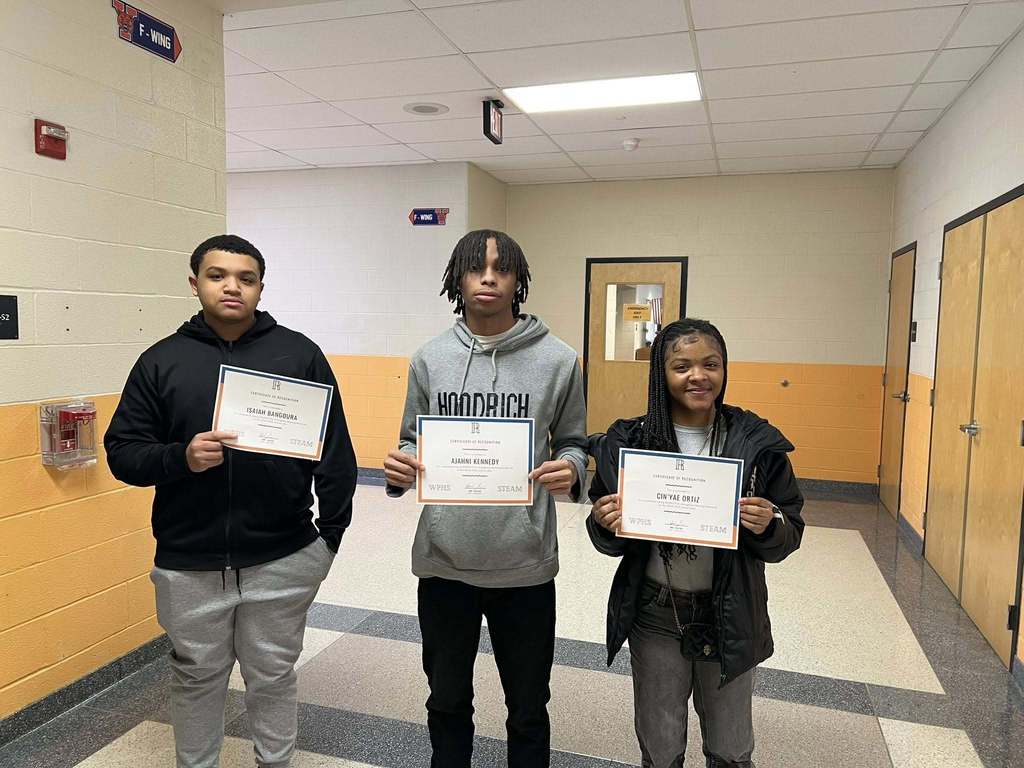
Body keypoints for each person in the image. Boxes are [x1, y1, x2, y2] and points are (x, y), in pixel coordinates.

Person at [105, 234, 358, 768]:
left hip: (283, 555)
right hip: (187, 559)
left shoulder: (298, 353)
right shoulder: (160, 362)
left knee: (272, 675)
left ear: (261, 288)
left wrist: (327, 539)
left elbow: (334, 453)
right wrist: (181, 457)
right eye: (218, 276)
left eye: (246, 278)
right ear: (195, 283)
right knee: (196, 677)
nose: (232, 287)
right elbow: (122, 453)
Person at [383, 229, 588, 768]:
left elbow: (574, 443)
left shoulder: (559, 360)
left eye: (502, 269)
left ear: (520, 280)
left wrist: (570, 468)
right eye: (477, 268)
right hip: (445, 563)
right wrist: (402, 467)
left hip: (524, 565)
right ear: (458, 279)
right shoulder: (430, 358)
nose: (489, 278)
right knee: (447, 700)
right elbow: (412, 438)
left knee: (528, 706)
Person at [587, 318, 804, 768]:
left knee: (730, 745)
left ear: (725, 369)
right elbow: (609, 540)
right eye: (681, 366)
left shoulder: (755, 443)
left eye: (711, 364)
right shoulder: (630, 442)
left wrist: (770, 525)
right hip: (656, 612)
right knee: (661, 744)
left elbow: (790, 531)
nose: (698, 376)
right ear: (660, 374)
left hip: (730, 610)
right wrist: (605, 523)